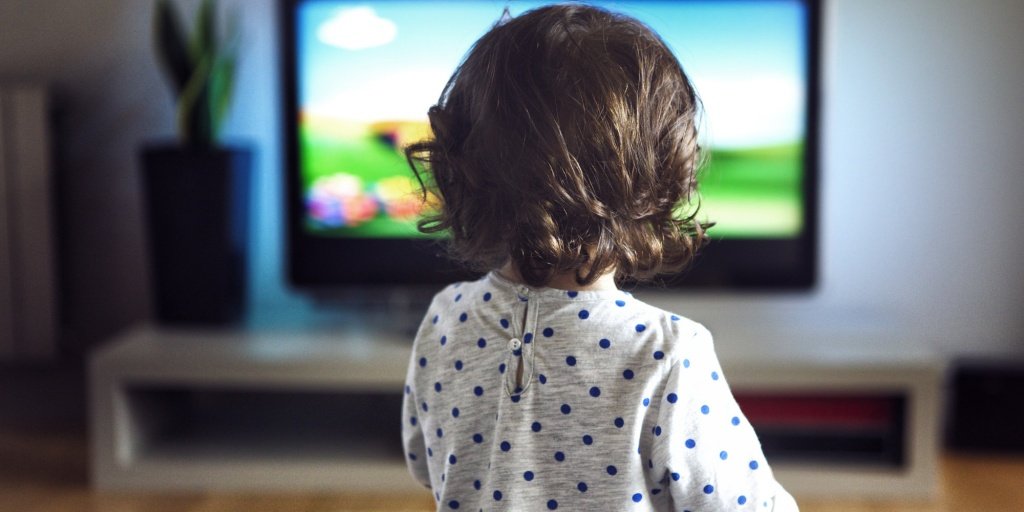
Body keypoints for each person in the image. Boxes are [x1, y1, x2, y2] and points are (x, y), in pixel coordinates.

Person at [400, 4, 798, 510]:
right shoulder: (667, 354)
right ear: (664, 166)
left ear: (462, 162)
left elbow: (422, 461)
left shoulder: (444, 319)